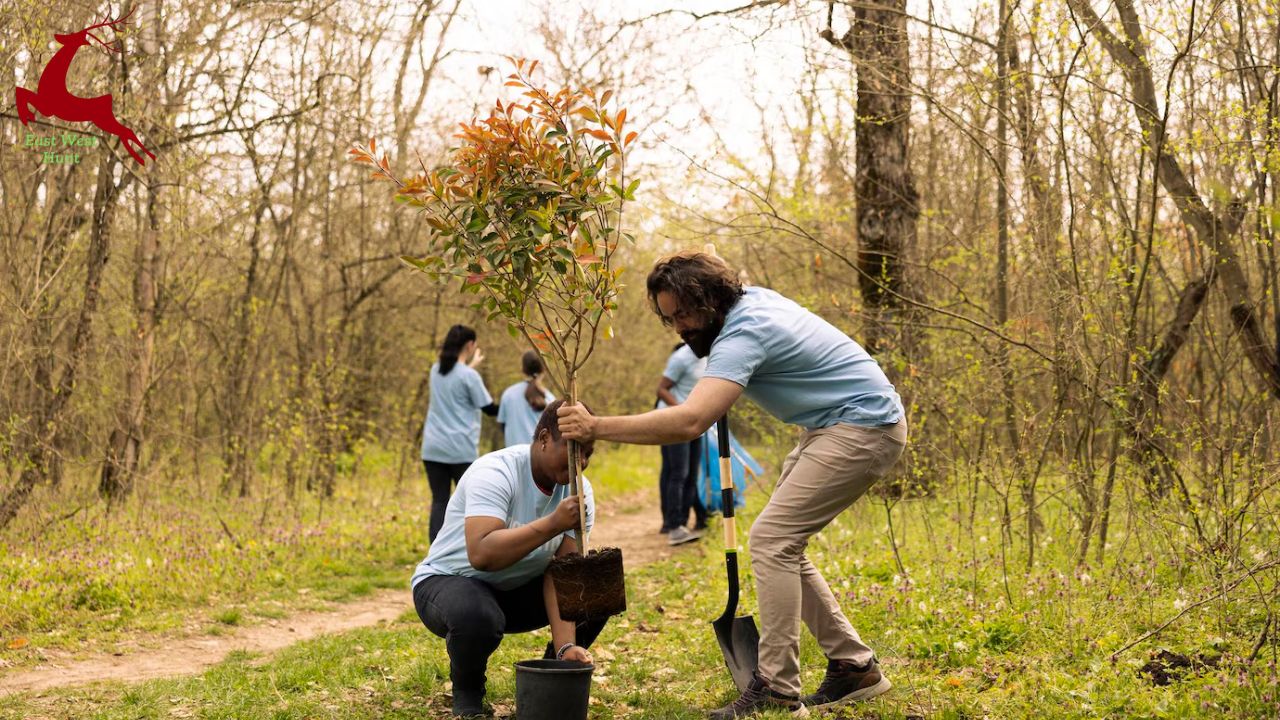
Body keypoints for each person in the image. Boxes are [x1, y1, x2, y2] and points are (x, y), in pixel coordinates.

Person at [558, 251, 906, 718]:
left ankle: (778, 691)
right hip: (836, 424)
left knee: (772, 539)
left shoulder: (743, 332)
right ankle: (853, 665)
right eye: (669, 317)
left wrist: (596, 426)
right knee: (783, 543)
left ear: (712, 298)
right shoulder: (751, 305)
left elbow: (691, 420)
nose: (679, 327)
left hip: (863, 425)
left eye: (684, 312)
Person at [411, 400, 603, 718]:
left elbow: (564, 575)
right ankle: (468, 694)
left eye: (587, 453)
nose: (580, 461)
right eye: (573, 449)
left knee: (595, 584)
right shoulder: (496, 472)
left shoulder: (579, 492)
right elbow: (482, 554)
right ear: (543, 438)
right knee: (478, 615)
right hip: (449, 582)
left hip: (512, 589)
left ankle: (554, 673)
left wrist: (566, 646)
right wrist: (553, 524)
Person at [421, 324, 498, 542]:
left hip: (432, 449)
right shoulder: (469, 377)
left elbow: (456, 379)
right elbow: (489, 409)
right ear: (470, 345)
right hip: (460, 450)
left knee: (440, 502)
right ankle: (464, 549)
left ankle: (435, 551)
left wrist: (470, 367)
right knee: (467, 504)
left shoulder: (436, 370)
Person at [656, 341, 708, 545]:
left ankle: (679, 523)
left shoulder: (709, 354)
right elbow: (661, 389)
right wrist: (683, 412)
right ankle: (674, 525)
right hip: (672, 421)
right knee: (678, 473)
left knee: (691, 475)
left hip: (694, 421)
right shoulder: (681, 358)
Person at [496, 350, 555, 447]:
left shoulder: (508, 394)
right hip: (540, 457)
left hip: (513, 457)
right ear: (544, 369)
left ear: (523, 369)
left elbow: (502, 425)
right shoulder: (550, 399)